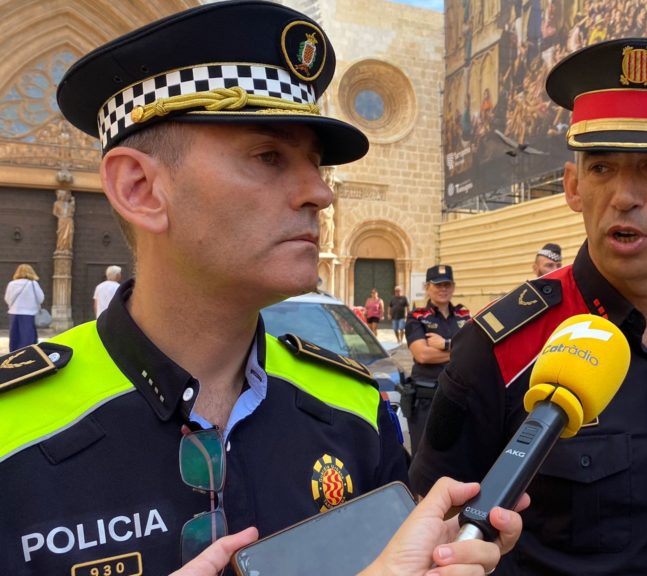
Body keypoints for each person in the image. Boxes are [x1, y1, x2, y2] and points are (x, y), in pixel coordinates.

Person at [0, 3, 522, 575]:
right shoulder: (15, 430)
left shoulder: (352, 408)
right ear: (140, 187)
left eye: (315, 164)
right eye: (269, 156)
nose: (320, 194)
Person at [410, 38, 647, 575]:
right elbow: (427, 522)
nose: (624, 194)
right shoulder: (500, 348)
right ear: (573, 186)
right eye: (601, 168)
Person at [402, 264, 470, 454]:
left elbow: (475, 351)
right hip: (426, 398)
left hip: (457, 396)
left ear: (454, 287)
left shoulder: (465, 316)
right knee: (424, 455)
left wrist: (445, 344)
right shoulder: (417, 316)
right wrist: (459, 352)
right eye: (438, 285)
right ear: (427, 287)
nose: (443, 289)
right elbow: (422, 355)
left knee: (456, 453)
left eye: (447, 285)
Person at [4, 263, 45, 350]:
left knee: (15, 335)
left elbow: (7, 298)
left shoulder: (12, 284)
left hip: (14, 312)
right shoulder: (33, 284)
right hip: (29, 313)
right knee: (27, 336)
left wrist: (13, 306)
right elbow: (40, 298)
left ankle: (14, 354)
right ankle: (28, 353)